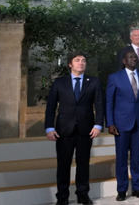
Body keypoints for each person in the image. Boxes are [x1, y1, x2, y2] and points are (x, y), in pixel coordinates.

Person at [44, 52, 104, 205]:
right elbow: (51, 107)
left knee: (83, 164)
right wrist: (49, 127)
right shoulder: (59, 82)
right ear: (70, 64)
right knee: (63, 165)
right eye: (77, 60)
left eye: (84, 60)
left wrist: (98, 124)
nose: (81, 63)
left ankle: (82, 194)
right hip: (64, 130)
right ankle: (62, 197)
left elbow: (99, 104)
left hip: (86, 130)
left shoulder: (94, 82)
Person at [106, 50, 139, 201]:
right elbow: (109, 102)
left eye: (135, 57)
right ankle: (121, 190)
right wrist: (110, 123)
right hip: (121, 124)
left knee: (136, 158)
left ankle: (137, 189)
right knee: (121, 159)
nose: (134, 59)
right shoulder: (114, 77)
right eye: (131, 57)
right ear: (124, 61)